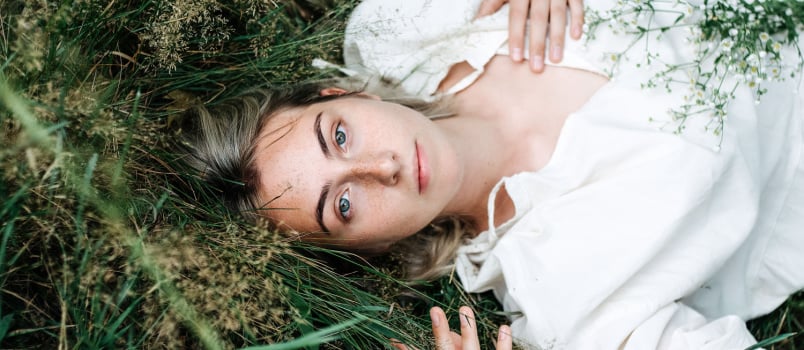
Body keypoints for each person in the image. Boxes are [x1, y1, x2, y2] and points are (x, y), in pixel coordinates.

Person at [182, 0, 804, 348]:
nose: (384, 167)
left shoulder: (401, 28)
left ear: (342, 92)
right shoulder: (564, 295)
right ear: (367, 248)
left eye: (339, 136)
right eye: (343, 206)